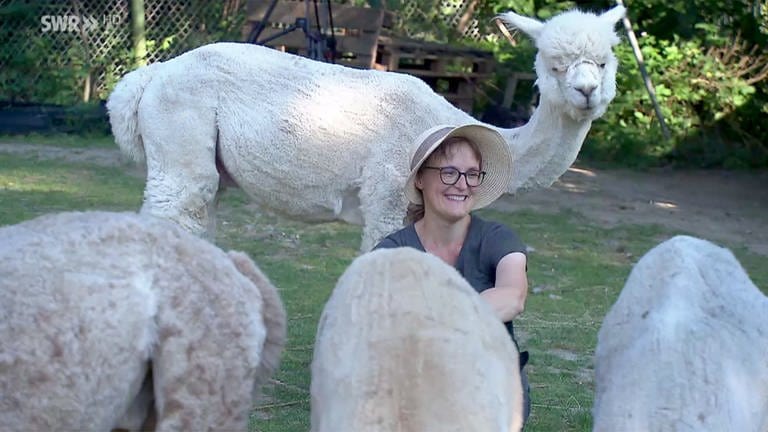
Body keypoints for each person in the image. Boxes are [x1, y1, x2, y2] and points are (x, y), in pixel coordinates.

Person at [373, 124, 531, 421]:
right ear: (420, 178)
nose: (462, 184)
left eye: (472, 174)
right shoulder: (391, 252)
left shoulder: (497, 238)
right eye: (449, 172)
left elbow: (513, 296)